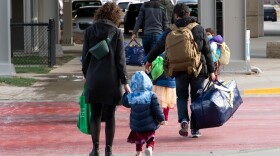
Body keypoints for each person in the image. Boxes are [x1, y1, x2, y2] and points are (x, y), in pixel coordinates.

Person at [145, 3, 216, 138]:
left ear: (176, 15)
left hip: (178, 70)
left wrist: (149, 60)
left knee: (182, 97)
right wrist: (212, 72)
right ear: (189, 14)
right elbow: (207, 52)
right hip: (197, 70)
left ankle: (184, 120)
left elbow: (158, 46)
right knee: (196, 98)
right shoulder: (199, 29)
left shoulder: (170, 30)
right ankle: (195, 128)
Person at [81, 2, 131, 156]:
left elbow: (85, 59)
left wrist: (87, 76)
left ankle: (95, 149)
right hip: (111, 80)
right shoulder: (116, 32)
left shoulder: (89, 31)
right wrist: (125, 82)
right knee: (110, 116)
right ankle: (109, 150)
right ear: (116, 16)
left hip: (94, 79)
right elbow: (120, 61)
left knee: (95, 115)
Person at [122, 71, 167, 156]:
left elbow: (124, 102)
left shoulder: (132, 96)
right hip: (149, 124)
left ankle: (138, 152)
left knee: (138, 140)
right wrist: (162, 119)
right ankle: (149, 147)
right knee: (151, 138)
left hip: (136, 125)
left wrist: (127, 92)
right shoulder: (151, 95)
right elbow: (157, 109)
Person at [150, 55, 176, 123]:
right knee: (167, 101)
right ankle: (165, 118)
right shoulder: (173, 51)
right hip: (170, 81)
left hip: (159, 82)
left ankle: (157, 117)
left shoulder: (157, 52)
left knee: (157, 101)